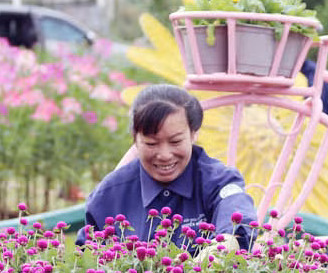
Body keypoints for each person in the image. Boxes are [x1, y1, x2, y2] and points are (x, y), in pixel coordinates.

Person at [79, 84, 257, 253]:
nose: (164, 155)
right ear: (135, 139)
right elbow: (84, 258)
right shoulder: (110, 195)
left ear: (194, 134)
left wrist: (226, 243)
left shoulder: (217, 181)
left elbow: (236, 208)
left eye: (175, 141)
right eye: (151, 143)